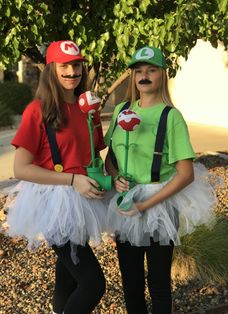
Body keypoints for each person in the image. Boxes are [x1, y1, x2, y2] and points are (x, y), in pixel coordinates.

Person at [104, 46, 217, 314]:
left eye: (151, 70)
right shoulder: (121, 109)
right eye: (138, 71)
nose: (144, 76)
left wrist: (145, 205)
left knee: (158, 282)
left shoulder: (171, 116)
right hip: (126, 202)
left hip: (158, 205)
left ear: (161, 75)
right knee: (130, 283)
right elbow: (110, 158)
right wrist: (115, 176)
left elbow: (185, 174)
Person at [6, 40, 107, 314]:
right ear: (51, 70)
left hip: (85, 200)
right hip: (54, 204)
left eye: (76, 65)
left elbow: (94, 155)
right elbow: (21, 168)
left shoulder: (89, 109)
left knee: (68, 275)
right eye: (64, 65)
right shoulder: (37, 110)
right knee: (93, 284)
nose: (72, 72)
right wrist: (74, 180)